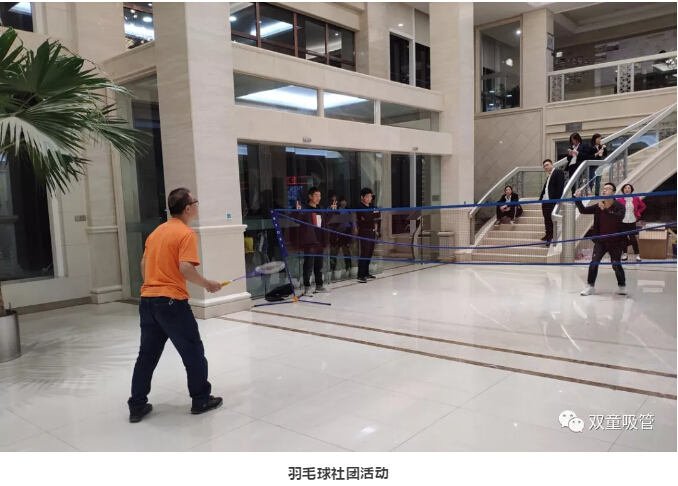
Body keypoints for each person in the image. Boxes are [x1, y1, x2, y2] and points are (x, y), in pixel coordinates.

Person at [128, 188, 223, 423]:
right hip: (172, 303)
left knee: (146, 356)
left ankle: (137, 406)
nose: (197, 204)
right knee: (193, 352)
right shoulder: (186, 233)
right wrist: (207, 284)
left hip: (148, 301)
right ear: (188, 208)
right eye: (195, 201)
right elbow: (185, 268)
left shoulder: (156, 233)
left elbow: (143, 264)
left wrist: (154, 285)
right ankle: (201, 399)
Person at [575, 183, 627, 296]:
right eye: (604, 188)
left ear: (613, 193)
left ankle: (622, 286)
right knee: (594, 262)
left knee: (616, 264)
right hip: (601, 241)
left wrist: (605, 210)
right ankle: (590, 286)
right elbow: (583, 210)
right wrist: (577, 199)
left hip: (616, 241)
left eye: (608, 189)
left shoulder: (620, 206)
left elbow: (618, 218)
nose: (604, 190)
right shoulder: (598, 206)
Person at [296, 186, 335, 295]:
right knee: (308, 264)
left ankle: (319, 285)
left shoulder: (321, 208)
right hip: (310, 241)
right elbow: (298, 219)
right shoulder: (305, 208)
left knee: (319, 264)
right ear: (310, 196)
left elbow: (327, 219)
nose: (318, 198)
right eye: (316, 195)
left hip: (320, 240)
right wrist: (297, 211)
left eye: (320, 196)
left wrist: (332, 210)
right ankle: (307, 287)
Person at [538, 159, 565, 245]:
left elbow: (560, 186)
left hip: (552, 201)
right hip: (545, 201)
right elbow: (545, 189)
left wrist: (558, 199)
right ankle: (547, 234)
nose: (546, 167)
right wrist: (540, 199)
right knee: (546, 219)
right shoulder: (549, 176)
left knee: (550, 219)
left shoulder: (558, 172)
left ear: (552, 164)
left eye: (547, 165)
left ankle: (550, 237)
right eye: (544, 166)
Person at [617, 183, 646, 262]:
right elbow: (616, 209)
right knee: (623, 238)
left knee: (633, 238)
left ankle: (637, 255)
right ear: (623, 190)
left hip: (632, 220)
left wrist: (637, 213)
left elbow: (643, 206)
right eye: (625, 188)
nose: (627, 189)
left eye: (628, 188)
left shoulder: (636, 198)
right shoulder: (619, 199)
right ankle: (625, 254)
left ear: (631, 190)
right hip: (623, 221)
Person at [356, 188, 378, 283]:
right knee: (364, 252)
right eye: (367, 196)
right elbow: (366, 217)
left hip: (372, 231)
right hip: (364, 231)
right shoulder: (359, 206)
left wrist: (369, 216)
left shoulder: (372, 205)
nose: (369, 198)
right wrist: (370, 216)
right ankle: (360, 275)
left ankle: (366, 272)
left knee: (370, 252)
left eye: (370, 196)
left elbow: (377, 214)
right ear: (362, 197)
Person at [329, 196, 354, 274]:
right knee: (334, 251)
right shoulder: (335, 210)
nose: (343, 203)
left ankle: (348, 267)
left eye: (344, 201)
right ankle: (332, 268)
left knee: (346, 250)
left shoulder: (348, 210)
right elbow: (333, 221)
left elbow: (351, 221)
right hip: (337, 233)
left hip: (346, 232)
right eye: (342, 201)